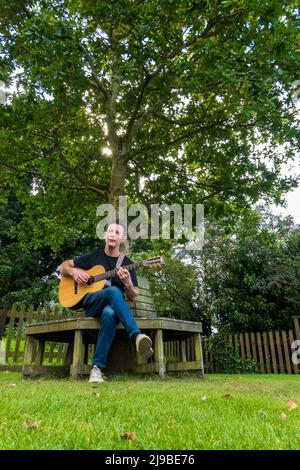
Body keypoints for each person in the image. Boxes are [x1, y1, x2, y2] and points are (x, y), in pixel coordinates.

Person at [60, 222, 153, 384]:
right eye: (110, 231)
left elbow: (133, 296)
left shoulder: (127, 263)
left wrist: (128, 283)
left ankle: (96, 369)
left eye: (117, 232)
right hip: (91, 302)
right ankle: (137, 335)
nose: (112, 234)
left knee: (110, 313)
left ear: (122, 239)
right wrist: (74, 271)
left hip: (113, 308)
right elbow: (64, 266)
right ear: (105, 236)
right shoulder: (93, 257)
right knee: (113, 291)